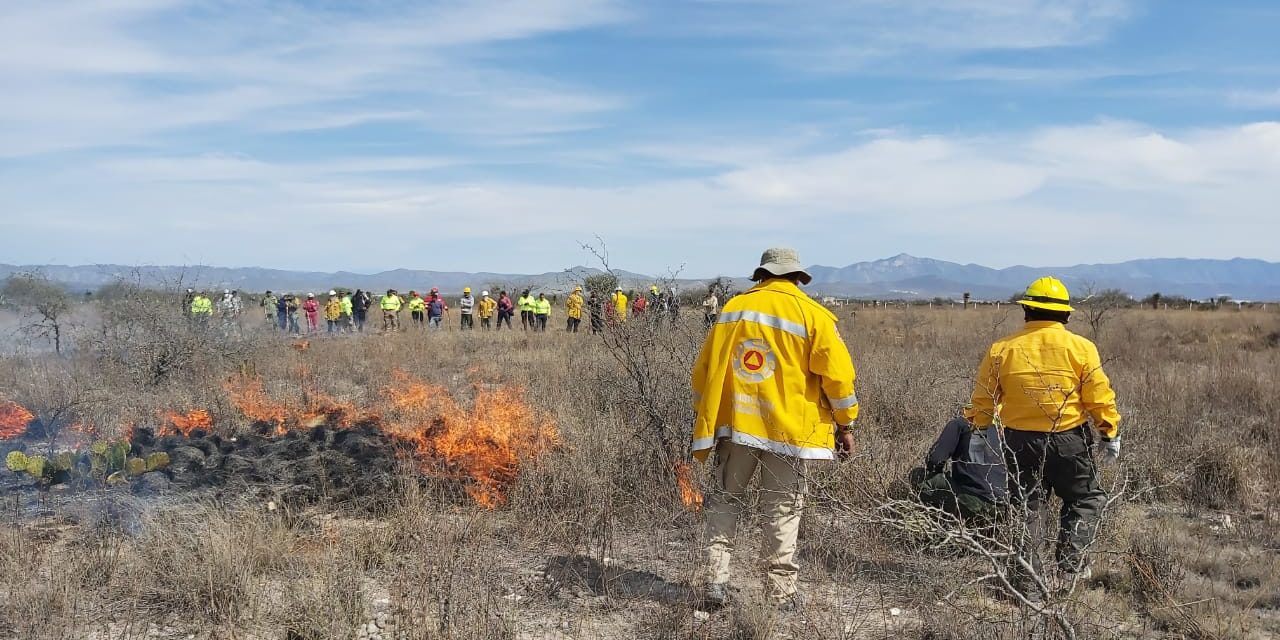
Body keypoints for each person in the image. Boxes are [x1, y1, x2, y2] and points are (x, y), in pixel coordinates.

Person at [691, 247, 859, 611]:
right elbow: (839, 380)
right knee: (782, 508)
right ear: (798, 278)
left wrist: (711, 415)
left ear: (762, 275)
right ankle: (780, 593)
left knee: (724, 500)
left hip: (736, 427)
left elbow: (703, 373)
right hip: (789, 434)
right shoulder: (814, 316)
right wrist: (845, 425)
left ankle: (716, 583)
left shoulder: (732, 311)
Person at [965, 276, 1121, 595]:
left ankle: (1026, 585)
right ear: (1065, 314)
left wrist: (979, 433)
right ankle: (1070, 568)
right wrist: (1109, 431)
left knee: (1027, 506)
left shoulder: (1002, 349)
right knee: (1085, 498)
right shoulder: (1081, 348)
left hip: (1018, 441)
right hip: (1068, 440)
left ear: (1027, 311)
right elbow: (1098, 396)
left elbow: (983, 397)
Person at [910, 416, 1007, 524]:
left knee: (918, 476)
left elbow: (934, 461)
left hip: (974, 503)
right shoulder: (1008, 427)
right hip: (1004, 510)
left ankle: (943, 521)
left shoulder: (961, 423)